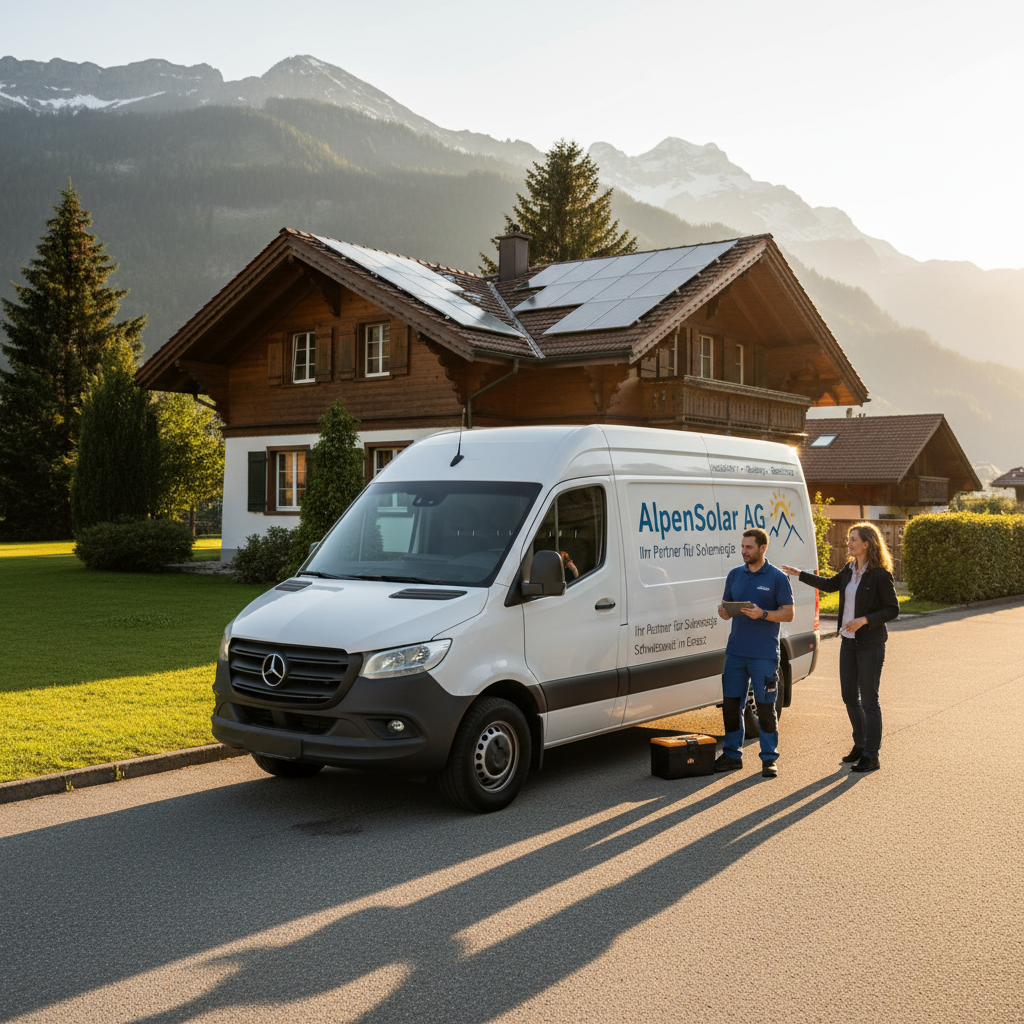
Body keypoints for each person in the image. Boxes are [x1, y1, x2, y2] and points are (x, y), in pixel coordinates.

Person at [781, 522, 899, 774]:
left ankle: (871, 755)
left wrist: (864, 620)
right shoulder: (849, 569)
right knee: (848, 697)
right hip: (848, 643)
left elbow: (892, 609)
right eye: (849, 539)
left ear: (867, 544)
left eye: (853, 539)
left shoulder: (879, 574)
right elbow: (829, 585)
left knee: (869, 700)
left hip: (870, 644)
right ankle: (860, 743)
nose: (849, 543)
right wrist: (798, 573)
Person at [716, 528, 794, 778]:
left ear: (763, 548)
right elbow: (728, 605)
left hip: (764, 655)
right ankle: (731, 755)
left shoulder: (777, 578)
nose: (743, 551)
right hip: (736, 652)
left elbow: (789, 614)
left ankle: (769, 759)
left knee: (766, 707)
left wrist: (763, 613)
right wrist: (725, 612)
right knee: (731, 706)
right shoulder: (734, 575)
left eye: (748, 547)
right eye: (742, 547)